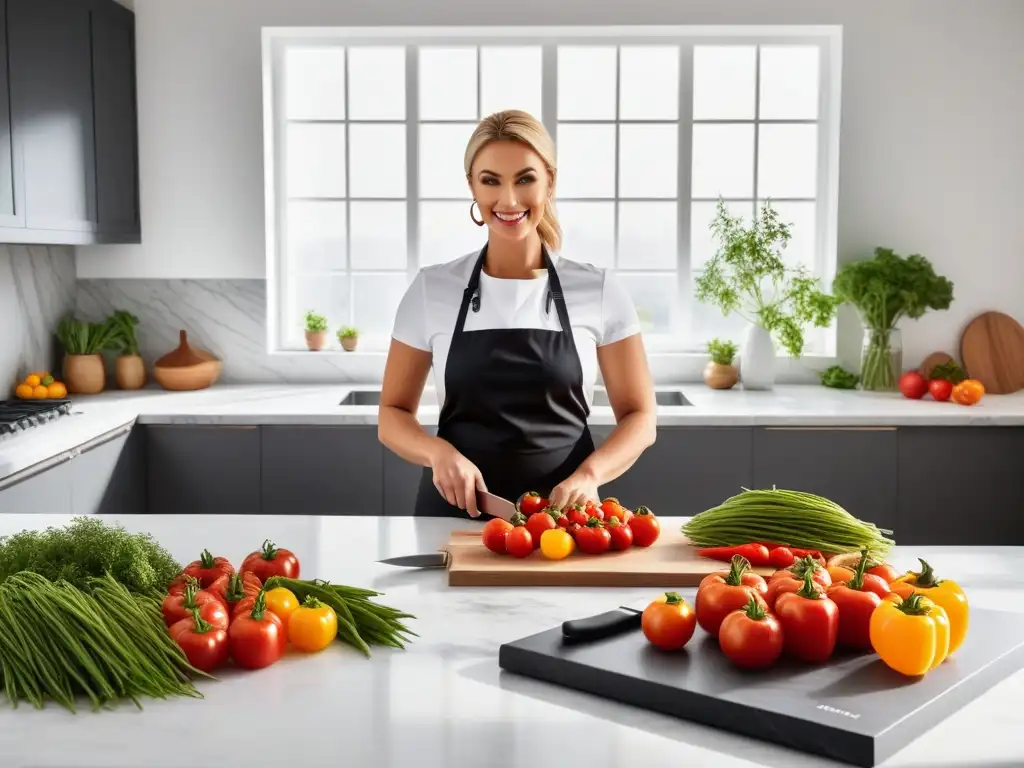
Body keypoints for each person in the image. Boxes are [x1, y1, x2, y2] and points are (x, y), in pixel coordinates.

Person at [378, 109, 656, 518]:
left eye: (524, 179)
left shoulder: (597, 289)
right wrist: (437, 453)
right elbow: (392, 415)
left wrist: (590, 476)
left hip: (566, 524)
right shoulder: (431, 289)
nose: (508, 201)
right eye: (490, 181)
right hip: (454, 518)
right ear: (472, 186)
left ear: (550, 182)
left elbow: (641, 417)